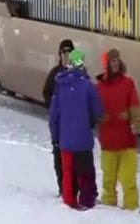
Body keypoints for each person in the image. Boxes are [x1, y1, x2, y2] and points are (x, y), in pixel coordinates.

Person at [49, 49, 103, 210]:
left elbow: (54, 115)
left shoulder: (60, 86)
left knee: (68, 173)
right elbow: (97, 111)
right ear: (82, 63)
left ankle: (69, 201)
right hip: (82, 140)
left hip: (65, 141)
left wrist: (55, 136)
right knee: (85, 174)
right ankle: (87, 202)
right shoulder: (88, 86)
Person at [96, 48, 140, 211]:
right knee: (108, 178)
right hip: (108, 142)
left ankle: (132, 206)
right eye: (111, 61)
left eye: (116, 60)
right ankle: (109, 204)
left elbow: (135, 105)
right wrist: (100, 119)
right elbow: (94, 112)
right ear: (106, 65)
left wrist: (135, 121)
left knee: (128, 178)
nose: (115, 64)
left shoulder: (128, 83)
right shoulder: (98, 88)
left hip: (127, 140)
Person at [42, 39, 76, 196]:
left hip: (75, 124)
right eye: (64, 52)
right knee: (59, 158)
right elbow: (46, 93)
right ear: (59, 54)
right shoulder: (55, 74)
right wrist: (56, 107)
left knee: (75, 159)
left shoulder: (79, 74)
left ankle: (74, 189)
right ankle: (63, 189)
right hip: (59, 125)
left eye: (69, 52)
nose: (66, 55)